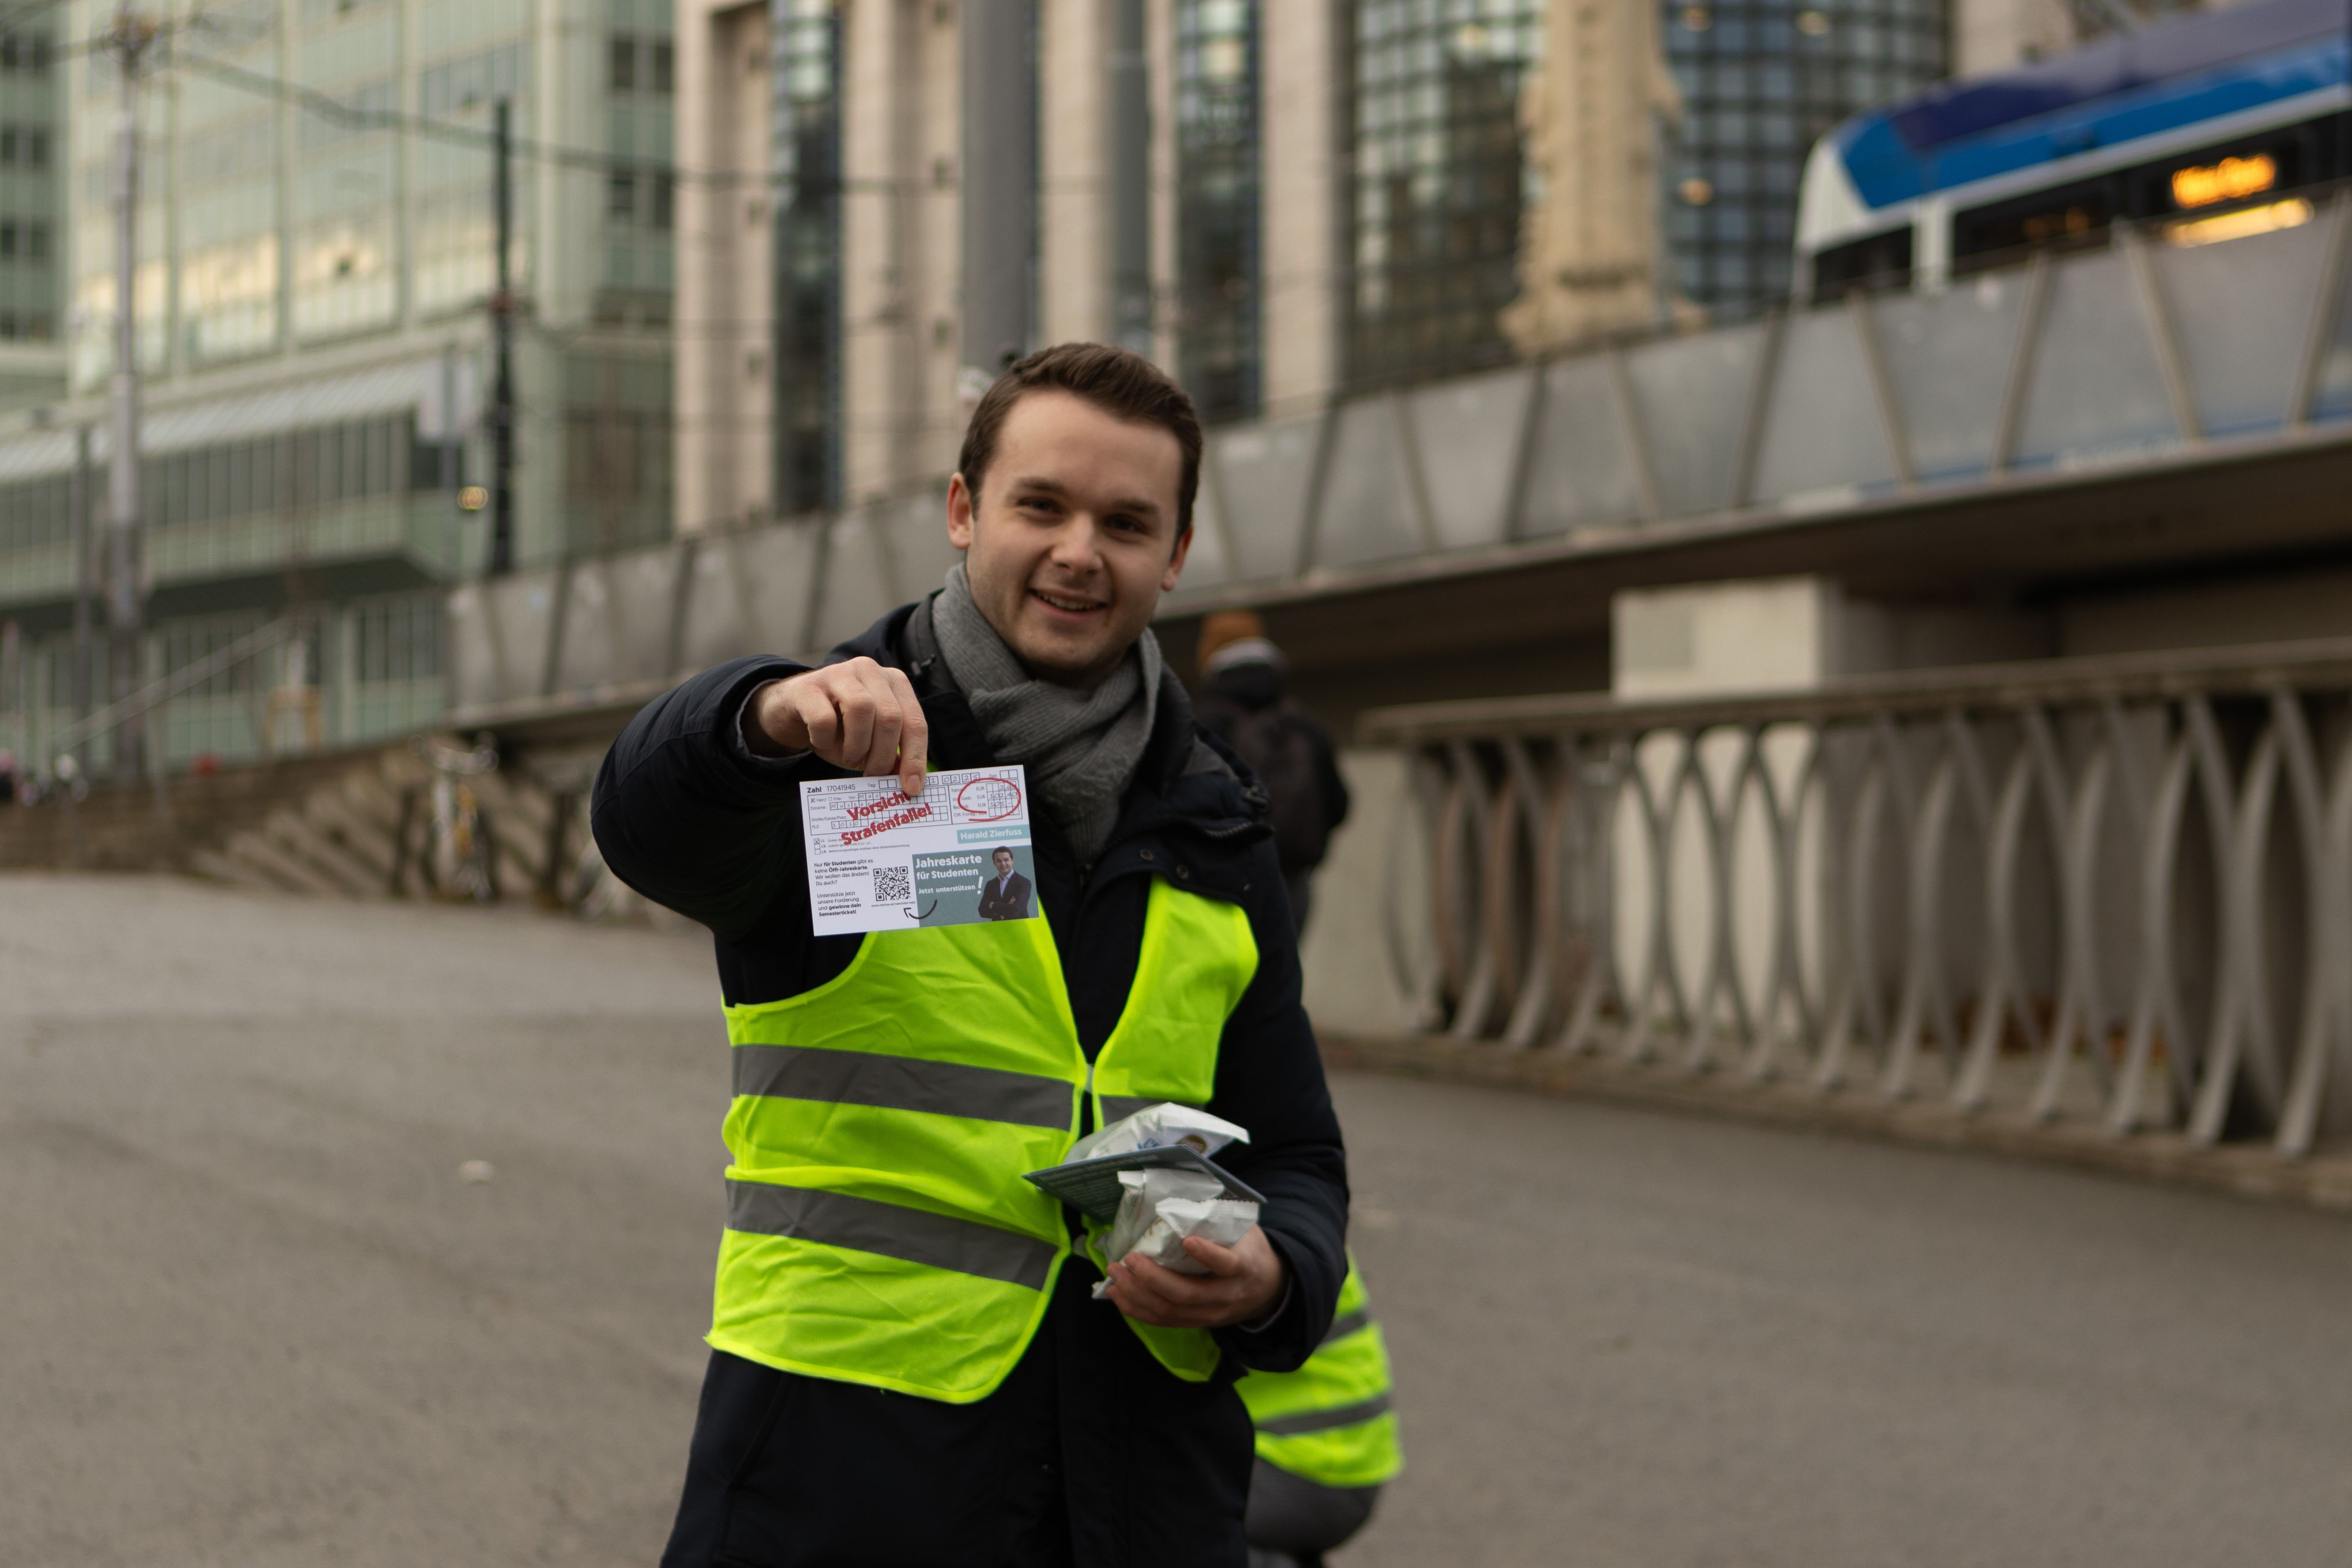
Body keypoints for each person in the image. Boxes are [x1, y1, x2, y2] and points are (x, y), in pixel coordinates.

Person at [592, 342, 1350, 1568]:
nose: (1076, 552)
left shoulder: (1217, 817)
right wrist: (756, 715)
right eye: (1039, 505)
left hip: (1141, 1491)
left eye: (1123, 521)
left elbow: (1297, 1147)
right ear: (962, 511)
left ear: (1176, 552)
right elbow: (642, 819)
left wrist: (1273, 1276)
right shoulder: (839, 751)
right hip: (844, 1484)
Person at [1189, 613, 1350, 937]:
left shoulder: (1202, 725)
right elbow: (1339, 804)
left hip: (1218, 885)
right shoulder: (1304, 724)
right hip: (1291, 883)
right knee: (1282, 981)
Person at [1237, 1256, 1402, 1568]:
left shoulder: (1218, 1222)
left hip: (1304, 1460)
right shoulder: (1304, 1215)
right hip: (1343, 1451)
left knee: (1146, 1514)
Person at [978, 844, 1034, 920]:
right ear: (994, 863)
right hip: (998, 928)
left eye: (1006, 860)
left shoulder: (1023, 882)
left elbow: (1015, 910)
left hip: (1018, 928)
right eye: (999, 861)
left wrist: (993, 905)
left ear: (1012, 860)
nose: (1003, 864)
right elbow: (982, 911)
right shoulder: (990, 884)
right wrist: (1007, 906)